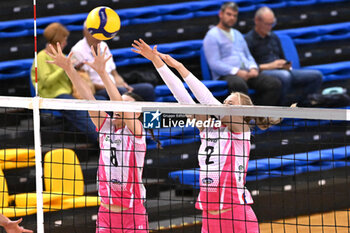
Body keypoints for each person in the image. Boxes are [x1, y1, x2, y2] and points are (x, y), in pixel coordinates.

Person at [132, 39, 283, 233]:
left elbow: (208, 100)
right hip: (210, 216)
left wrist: (180, 66)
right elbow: (184, 99)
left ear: (243, 113)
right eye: (226, 101)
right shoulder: (208, 127)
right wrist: (157, 62)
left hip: (236, 216)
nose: (225, 105)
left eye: (231, 104)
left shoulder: (241, 130)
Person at [47, 43, 149, 232]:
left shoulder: (137, 134)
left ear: (137, 114)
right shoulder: (106, 127)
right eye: (119, 103)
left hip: (132, 214)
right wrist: (70, 69)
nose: (119, 107)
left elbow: (119, 103)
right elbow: (88, 99)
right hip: (106, 213)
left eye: (127, 105)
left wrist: (103, 73)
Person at [30, 22, 107, 143]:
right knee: (77, 109)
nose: (66, 42)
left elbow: (68, 77)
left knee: (101, 100)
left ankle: (111, 132)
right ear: (58, 41)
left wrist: (75, 67)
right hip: (53, 96)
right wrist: (64, 67)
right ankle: (100, 138)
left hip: (69, 93)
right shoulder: (41, 57)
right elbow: (45, 82)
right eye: (64, 39)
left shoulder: (64, 56)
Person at [203, 2, 282, 106]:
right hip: (226, 74)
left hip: (246, 72)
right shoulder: (211, 36)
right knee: (239, 84)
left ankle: (260, 117)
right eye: (229, 14)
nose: (232, 18)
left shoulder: (237, 34)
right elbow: (214, 63)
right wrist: (237, 71)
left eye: (235, 15)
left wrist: (253, 68)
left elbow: (248, 55)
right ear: (221, 14)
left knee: (273, 83)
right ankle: (244, 119)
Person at [245, 6, 323, 105]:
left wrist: (285, 65)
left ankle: (302, 104)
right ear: (257, 21)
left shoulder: (273, 36)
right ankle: (281, 108)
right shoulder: (248, 40)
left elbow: (282, 57)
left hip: (281, 70)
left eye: (272, 23)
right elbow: (249, 66)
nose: (270, 27)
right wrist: (271, 66)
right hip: (264, 72)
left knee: (316, 75)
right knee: (285, 76)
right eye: (267, 24)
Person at [70, 25, 156, 101]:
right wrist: (113, 87)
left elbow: (114, 73)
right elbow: (83, 82)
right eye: (94, 33)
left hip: (114, 86)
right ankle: (123, 119)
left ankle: (149, 119)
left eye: (99, 33)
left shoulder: (103, 45)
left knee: (147, 89)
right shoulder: (77, 51)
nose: (98, 37)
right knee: (121, 93)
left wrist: (122, 83)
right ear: (85, 32)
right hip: (98, 90)